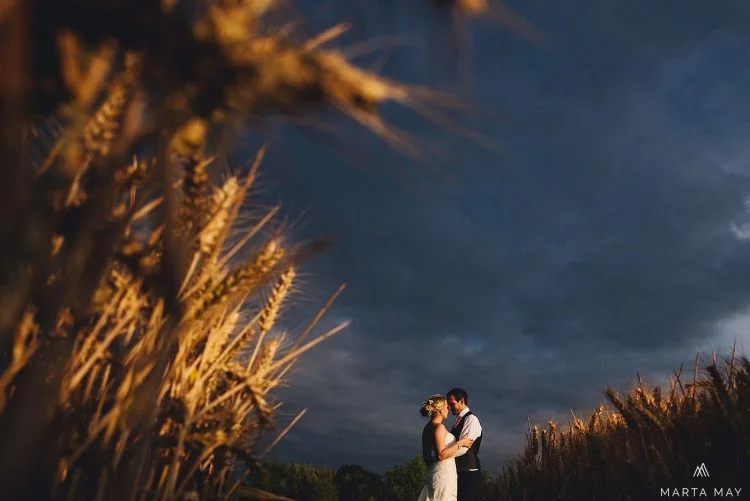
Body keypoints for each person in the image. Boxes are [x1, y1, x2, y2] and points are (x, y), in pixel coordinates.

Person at [417, 394, 474, 501]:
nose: (448, 409)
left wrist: (434, 468)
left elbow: (426, 457)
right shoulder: (439, 427)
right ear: (440, 410)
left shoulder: (427, 428)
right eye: (446, 407)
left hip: (434, 472)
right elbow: (440, 455)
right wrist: (461, 443)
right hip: (444, 474)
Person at [447, 388, 483, 501]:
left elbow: (463, 448)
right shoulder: (458, 420)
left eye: (452, 404)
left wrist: (443, 455)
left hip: (469, 473)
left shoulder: (471, 419)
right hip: (459, 472)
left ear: (462, 401)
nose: (449, 407)